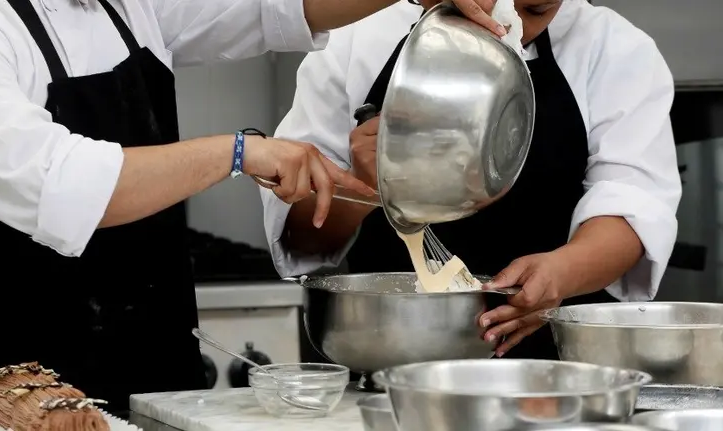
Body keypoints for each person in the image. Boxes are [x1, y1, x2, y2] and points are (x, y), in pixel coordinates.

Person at [0, 0, 482, 409]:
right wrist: (237, 152)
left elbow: (272, 8)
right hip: (17, 390)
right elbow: (59, 186)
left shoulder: (129, 9)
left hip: (157, 377)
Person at [261, 0, 682, 361]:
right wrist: (363, 184)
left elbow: (634, 205)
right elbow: (303, 238)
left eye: (537, 9)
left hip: (556, 370)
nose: (509, 21)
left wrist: (563, 272)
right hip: (391, 358)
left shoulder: (613, 49)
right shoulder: (356, 34)